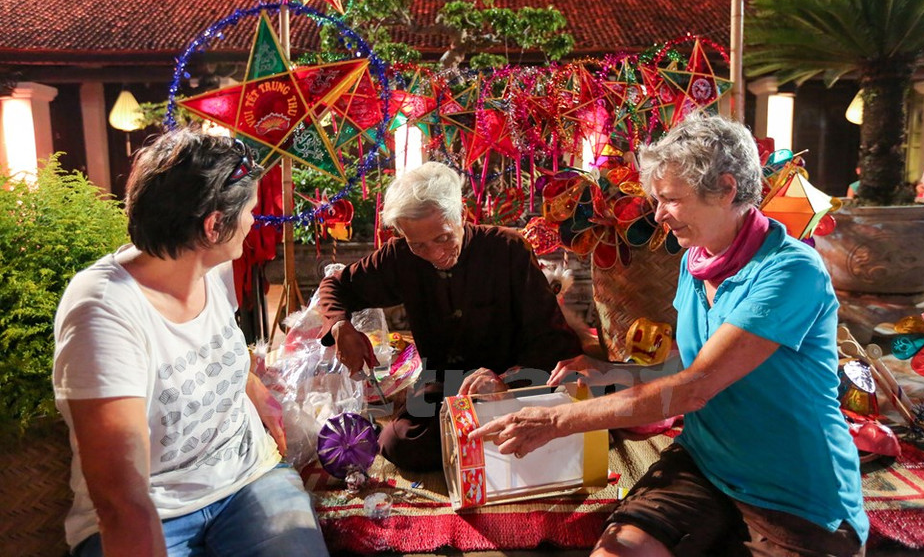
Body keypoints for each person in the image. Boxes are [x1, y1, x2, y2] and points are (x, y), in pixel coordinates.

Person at [473, 114, 868, 556]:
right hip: (707, 463)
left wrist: (556, 422)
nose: (659, 215)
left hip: (794, 486)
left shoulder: (790, 270)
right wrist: (608, 371)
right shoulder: (696, 260)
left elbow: (694, 389)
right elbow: (681, 365)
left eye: (670, 200)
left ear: (725, 189)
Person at [54, 130, 328, 557]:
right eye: (251, 212)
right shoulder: (104, 310)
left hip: (245, 479)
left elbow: (217, 349)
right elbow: (120, 500)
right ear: (214, 225)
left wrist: (251, 385)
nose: (254, 222)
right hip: (153, 509)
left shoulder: (209, 268)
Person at [317, 161, 580, 471]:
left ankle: (495, 437)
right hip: (446, 386)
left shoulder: (508, 249)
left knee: (566, 419)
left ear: (462, 215)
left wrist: (504, 383)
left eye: (442, 238)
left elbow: (552, 342)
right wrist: (340, 326)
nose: (434, 254)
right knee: (397, 443)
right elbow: (336, 286)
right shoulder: (400, 256)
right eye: (419, 245)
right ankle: (492, 442)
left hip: (517, 383)